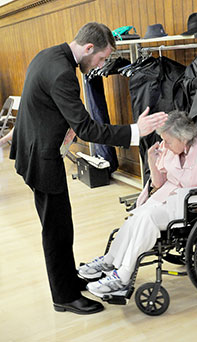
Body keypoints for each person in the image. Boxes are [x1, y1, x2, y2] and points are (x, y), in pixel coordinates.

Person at [9, 22, 168, 315]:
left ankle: (69, 280)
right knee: (56, 230)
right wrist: (136, 130)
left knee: (61, 224)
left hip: (35, 147)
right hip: (41, 157)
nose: (102, 64)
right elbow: (87, 128)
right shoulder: (62, 73)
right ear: (89, 48)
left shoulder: (50, 55)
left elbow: (47, 106)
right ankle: (64, 297)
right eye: (102, 58)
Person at [78, 110, 197, 298]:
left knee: (147, 217)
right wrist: (152, 159)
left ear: (183, 138)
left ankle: (123, 276)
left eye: (168, 141)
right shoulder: (173, 147)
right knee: (137, 215)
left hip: (193, 204)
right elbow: (158, 183)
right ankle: (109, 261)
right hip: (169, 197)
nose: (164, 145)